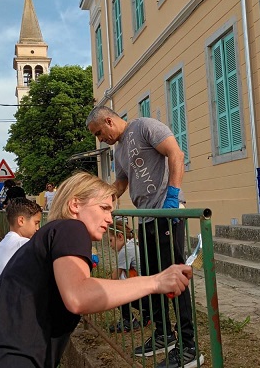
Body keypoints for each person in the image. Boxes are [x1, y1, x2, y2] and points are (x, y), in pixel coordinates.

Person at [0, 172, 192, 368]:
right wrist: (156, 282)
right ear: (75, 205)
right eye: (104, 208)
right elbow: (79, 296)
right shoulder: (71, 228)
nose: (110, 219)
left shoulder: (50, 235)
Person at [86, 106, 204, 368]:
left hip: (167, 212)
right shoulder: (119, 151)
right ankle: (163, 334)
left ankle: (189, 345)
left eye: (99, 132)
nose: (100, 138)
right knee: (153, 278)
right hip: (147, 217)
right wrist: (101, 197)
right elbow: (121, 184)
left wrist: (173, 196)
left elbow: (176, 153)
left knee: (175, 278)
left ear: (108, 120)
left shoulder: (145, 126)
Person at [0, 198, 42, 300]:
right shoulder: (24, 245)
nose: (38, 228)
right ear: (21, 221)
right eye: (36, 223)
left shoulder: (0, 247)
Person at [107, 217, 149, 333]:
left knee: (114, 291)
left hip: (144, 295)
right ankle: (148, 314)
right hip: (148, 292)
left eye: (110, 240)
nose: (110, 245)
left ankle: (129, 321)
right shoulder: (133, 244)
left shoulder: (126, 250)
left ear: (120, 236)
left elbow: (115, 277)